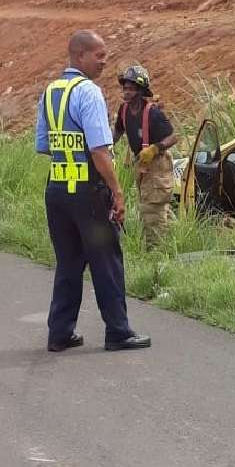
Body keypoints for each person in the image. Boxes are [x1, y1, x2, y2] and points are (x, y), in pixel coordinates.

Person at [37, 30, 151, 353]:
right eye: (99, 55)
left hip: (57, 190)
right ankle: (118, 331)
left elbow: (44, 145)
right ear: (79, 56)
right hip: (88, 191)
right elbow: (100, 151)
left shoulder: (50, 91)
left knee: (69, 262)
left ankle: (59, 332)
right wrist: (116, 191)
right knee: (107, 261)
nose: (104, 61)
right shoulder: (88, 92)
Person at [111, 65, 178, 247]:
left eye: (131, 89)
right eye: (125, 88)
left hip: (157, 164)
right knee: (155, 207)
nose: (126, 92)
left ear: (141, 91)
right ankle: (171, 245)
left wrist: (155, 149)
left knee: (151, 209)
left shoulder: (153, 113)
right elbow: (117, 133)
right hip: (141, 164)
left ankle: (156, 253)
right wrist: (105, 146)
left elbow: (173, 137)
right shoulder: (124, 110)